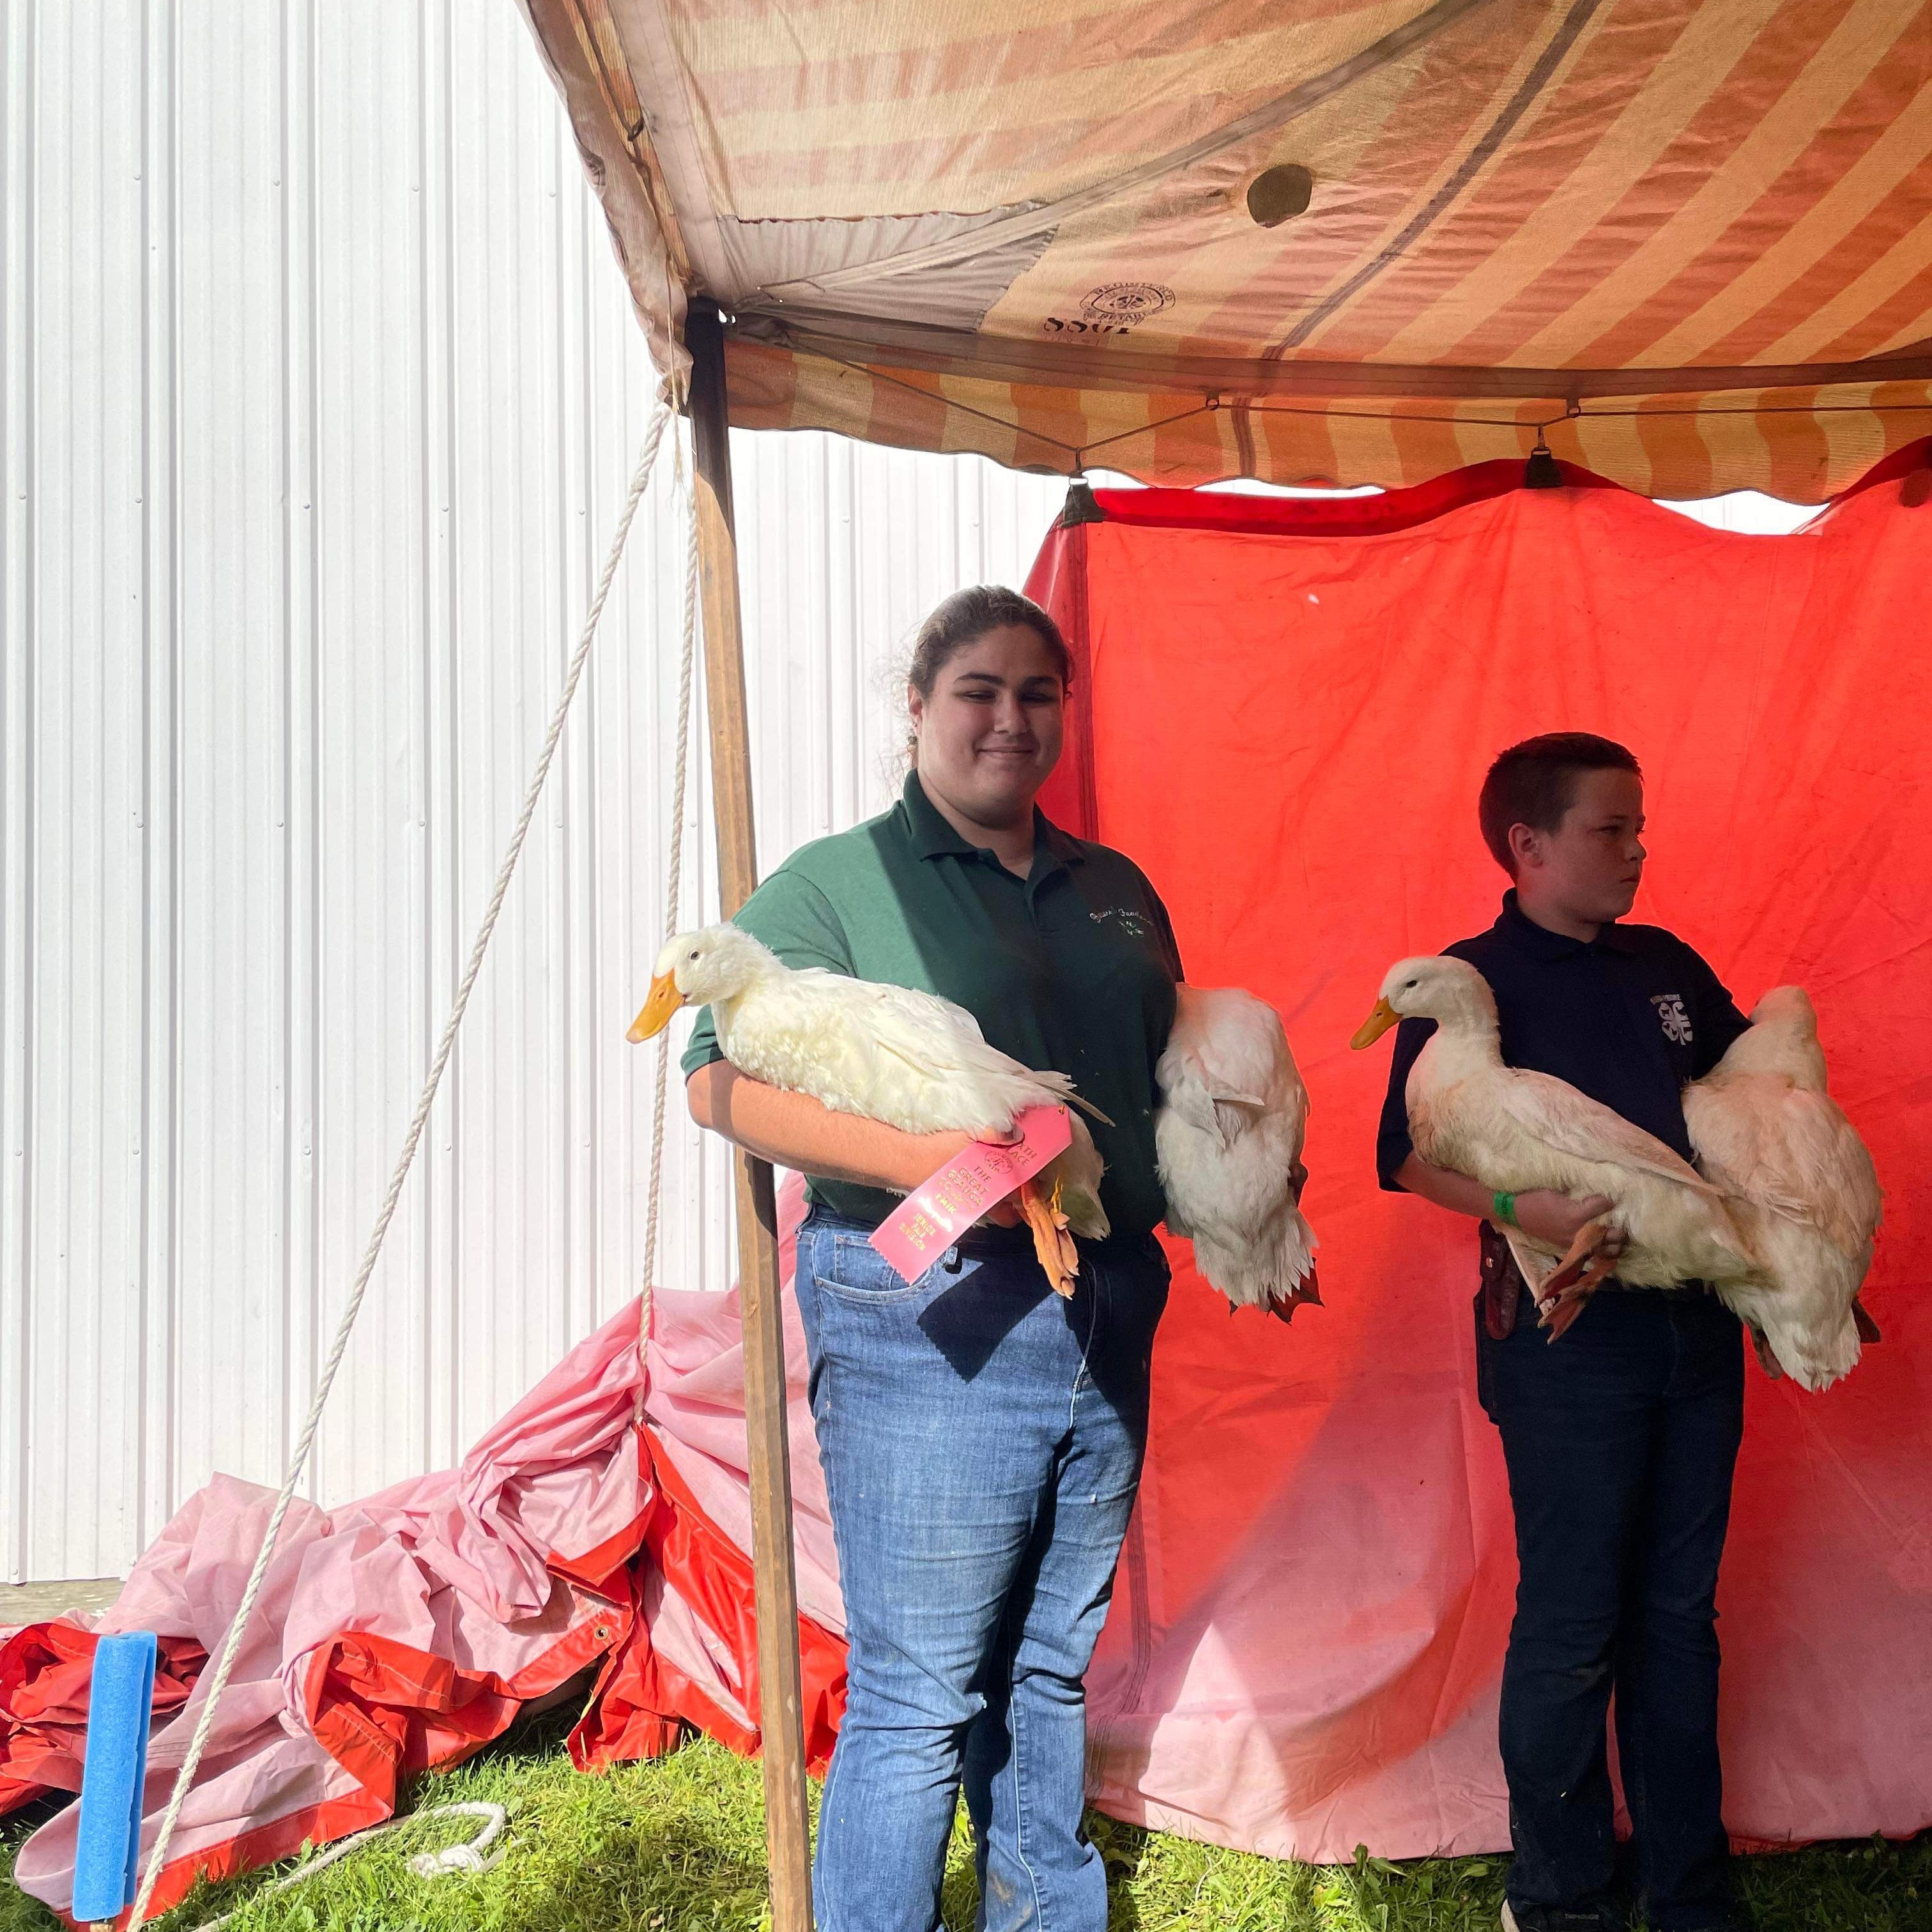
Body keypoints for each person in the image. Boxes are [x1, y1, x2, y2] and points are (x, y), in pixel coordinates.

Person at [681, 585, 1183, 1932]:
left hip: (1105, 1300)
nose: (1008, 720)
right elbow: (714, 1083)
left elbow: (1157, 1079)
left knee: (1051, 1664)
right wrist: (936, 1169)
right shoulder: (835, 885)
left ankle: (1045, 1913)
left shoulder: (1113, 889)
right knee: (921, 1688)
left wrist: (1248, 1203)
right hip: (935, 1307)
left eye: (1036, 694)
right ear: (915, 709)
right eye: (977, 692)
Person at [1375, 733, 1753, 1932]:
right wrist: (1512, 1207)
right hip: (1566, 1342)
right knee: (1577, 1620)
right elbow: (1402, 1155)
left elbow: (1748, 1102)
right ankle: (1563, 1897)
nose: (1638, 849)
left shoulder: (1667, 965)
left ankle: (1690, 1892)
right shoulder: (1468, 984)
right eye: (1611, 829)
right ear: (1528, 847)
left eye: (1641, 827)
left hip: (1698, 1333)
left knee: (1679, 1619)